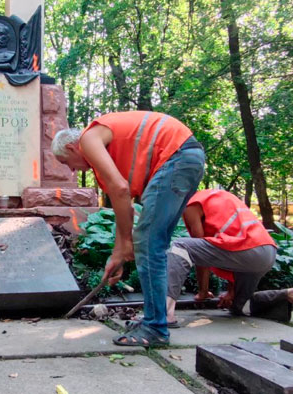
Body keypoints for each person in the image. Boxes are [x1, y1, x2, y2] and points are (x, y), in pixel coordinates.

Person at [52, 111, 205, 347]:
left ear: (72, 147)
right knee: (153, 243)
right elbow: (125, 206)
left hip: (176, 157)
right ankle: (155, 319)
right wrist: (120, 251)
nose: (72, 171)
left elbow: (121, 189)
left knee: (148, 243)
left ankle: (155, 328)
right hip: (187, 157)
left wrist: (125, 246)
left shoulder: (88, 139)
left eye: (65, 163)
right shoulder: (109, 154)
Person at [165, 189, 293, 327]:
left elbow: (198, 252)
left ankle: (165, 314)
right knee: (239, 306)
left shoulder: (192, 203)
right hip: (266, 251)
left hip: (248, 251)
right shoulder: (220, 196)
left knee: (181, 246)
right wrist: (232, 291)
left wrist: (203, 292)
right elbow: (229, 240)